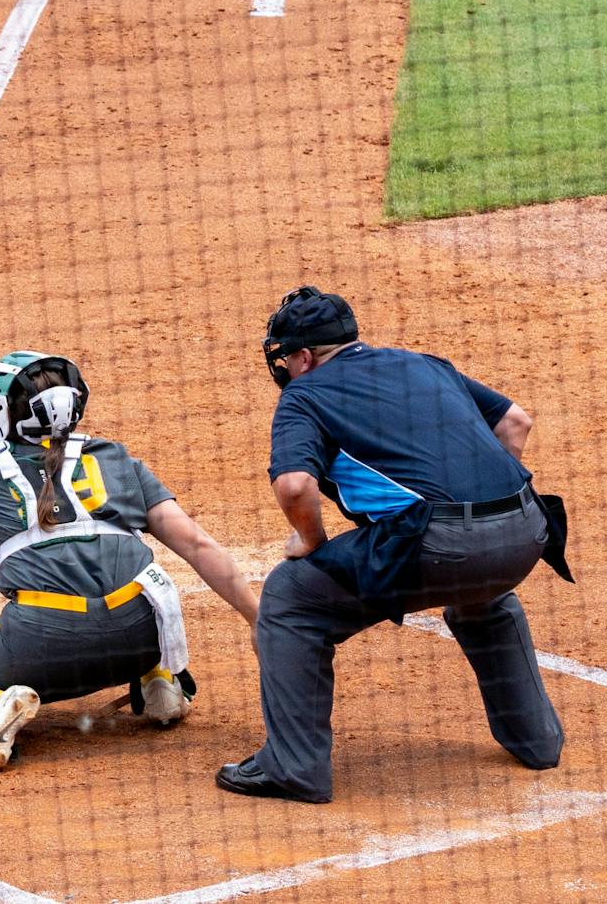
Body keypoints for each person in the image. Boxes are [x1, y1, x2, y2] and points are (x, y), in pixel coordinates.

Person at [216, 286, 572, 804]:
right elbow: (515, 422)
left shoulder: (304, 395)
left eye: (287, 356)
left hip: (443, 545)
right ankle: (538, 741)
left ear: (305, 357)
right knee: (481, 596)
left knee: (291, 596)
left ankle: (292, 768)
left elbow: (294, 485)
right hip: (527, 530)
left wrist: (311, 542)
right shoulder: (421, 363)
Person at [0, 350, 259, 771]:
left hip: (46, 644)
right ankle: (159, 679)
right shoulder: (118, 459)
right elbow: (199, 546)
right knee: (138, 592)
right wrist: (258, 619)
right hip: (142, 634)